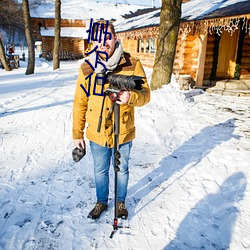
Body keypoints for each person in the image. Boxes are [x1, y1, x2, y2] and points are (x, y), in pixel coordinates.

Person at [72, 20, 150, 220]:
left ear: (115, 37)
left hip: (123, 130)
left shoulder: (132, 64)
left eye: (108, 36)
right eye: (99, 38)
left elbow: (146, 95)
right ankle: (101, 202)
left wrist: (130, 97)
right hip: (97, 133)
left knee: (122, 169)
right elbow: (80, 102)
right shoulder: (87, 68)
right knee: (100, 170)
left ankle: (121, 202)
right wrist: (77, 134)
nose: (104, 42)